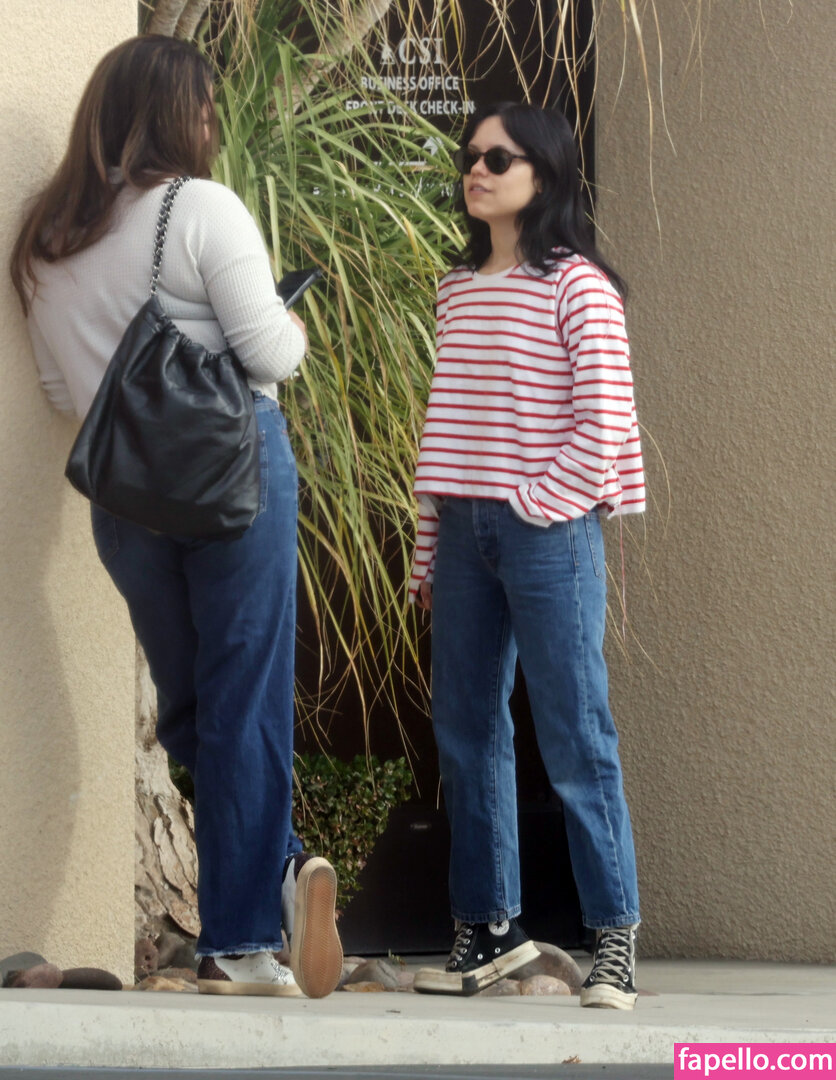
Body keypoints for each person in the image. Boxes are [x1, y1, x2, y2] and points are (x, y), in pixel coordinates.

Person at [10, 35, 343, 999]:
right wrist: (292, 324)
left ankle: (275, 880)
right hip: (234, 476)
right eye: (204, 105)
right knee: (246, 691)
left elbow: (58, 390)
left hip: (126, 499)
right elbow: (270, 355)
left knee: (196, 706)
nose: (212, 122)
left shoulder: (45, 240)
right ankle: (242, 934)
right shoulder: (200, 208)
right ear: (175, 115)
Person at [408, 102, 645, 1010]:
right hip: (464, 534)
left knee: (576, 733)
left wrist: (534, 505)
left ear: (543, 172)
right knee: (467, 731)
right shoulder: (457, 289)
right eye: (471, 156)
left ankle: (613, 938)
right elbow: (447, 433)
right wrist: (431, 549)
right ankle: (489, 930)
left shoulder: (578, 287)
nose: (477, 170)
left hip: (548, 531)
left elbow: (605, 422)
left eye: (498, 158)